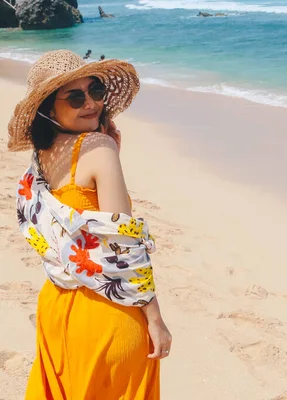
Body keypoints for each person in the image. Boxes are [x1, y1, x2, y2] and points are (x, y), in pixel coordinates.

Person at [7, 49, 171, 399]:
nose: (91, 103)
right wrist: (155, 319)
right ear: (49, 108)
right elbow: (123, 246)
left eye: (95, 91)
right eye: (75, 97)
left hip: (56, 308)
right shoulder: (97, 148)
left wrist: (111, 151)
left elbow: (73, 215)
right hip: (106, 316)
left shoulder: (39, 158)